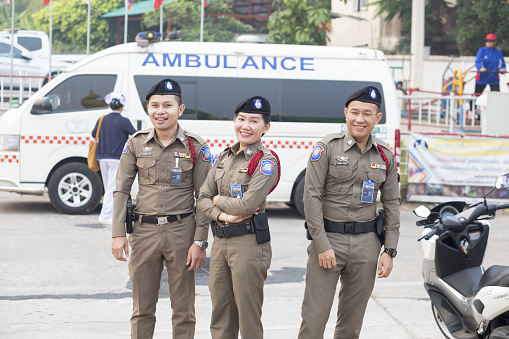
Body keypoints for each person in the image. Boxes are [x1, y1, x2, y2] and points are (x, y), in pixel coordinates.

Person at [111, 78, 211, 339]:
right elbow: (121, 190)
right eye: (154, 105)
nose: (160, 111)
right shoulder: (136, 143)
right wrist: (118, 233)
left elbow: (204, 197)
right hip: (143, 233)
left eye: (168, 105)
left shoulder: (195, 146)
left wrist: (200, 241)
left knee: (183, 309)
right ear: (148, 109)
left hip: (182, 232)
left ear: (181, 109)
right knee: (142, 308)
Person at [298, 86, 400, 339]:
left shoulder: (385, 156)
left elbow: (392, 204)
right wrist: (321, 244)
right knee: (314, 319)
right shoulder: (327, 147)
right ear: (345, 113)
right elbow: (310, 197)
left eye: (368, 113)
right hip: (329, 240)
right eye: (354, 112)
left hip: (367, 244)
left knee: (351, 325)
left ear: (378, 118)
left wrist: (389, 250)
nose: (360, 119)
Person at [197, 96, 280, 339]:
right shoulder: (225, 157)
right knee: (220, 315)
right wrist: (222, 213)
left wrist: (216, 200)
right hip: (221, 242)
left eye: (254, 121)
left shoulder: (266, 161)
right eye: (241, 119)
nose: (245, 126)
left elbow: (248, 204)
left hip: (249, 244)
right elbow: (201, 197)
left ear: (266, 127)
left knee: (248, 317)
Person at [91, 92, 136, 225]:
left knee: (108, 186)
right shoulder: (124, 121)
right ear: (122, 107)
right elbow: (135, 134)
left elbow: (94, 134)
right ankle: (105, 216)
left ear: (110, 105)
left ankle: (108, 214)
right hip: (116, 158)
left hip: (102, 157)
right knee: (112, 187)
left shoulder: (102, 119)